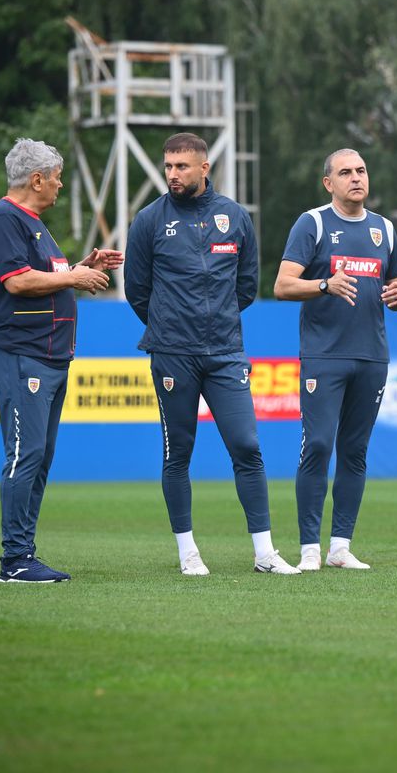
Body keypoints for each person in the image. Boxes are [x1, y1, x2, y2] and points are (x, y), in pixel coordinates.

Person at [125, 132, 299, 576]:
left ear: (204, 167)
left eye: (182, 166)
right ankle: (188, 553)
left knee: (247, 446)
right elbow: (136, 290)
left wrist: (213, 320)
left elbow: (246, 288)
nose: (173, 174)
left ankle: (264, 553)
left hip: (225, 352)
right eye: (168, 166)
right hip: (171, 354)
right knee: (178, 452)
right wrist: (171, 323)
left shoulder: (235, 217)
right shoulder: (148, 220)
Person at [0, 137, 123, 583]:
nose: (60, 184)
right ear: (36, 179)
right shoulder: (4, 219)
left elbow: (45, 276)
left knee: (39, 456)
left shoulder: (33, 223)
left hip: (51, 356)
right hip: (23, 354)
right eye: (56, 176)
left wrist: (81, 265)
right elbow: (17, 282)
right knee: (25, 453)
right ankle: (14, 561)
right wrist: (76, 276)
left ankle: (24, 553)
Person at [273, 148, 397, 571]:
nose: (356, 178)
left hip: (372, 356)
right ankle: (309, 549)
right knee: (317, 445)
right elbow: (282, 285)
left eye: (362, 170)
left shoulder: (384, 229)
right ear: (328, 183)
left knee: (355, 451)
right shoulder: (312, 223)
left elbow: (396, 285)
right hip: (324, 355)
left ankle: (340, 547)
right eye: (346, 172)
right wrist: (324, 285)